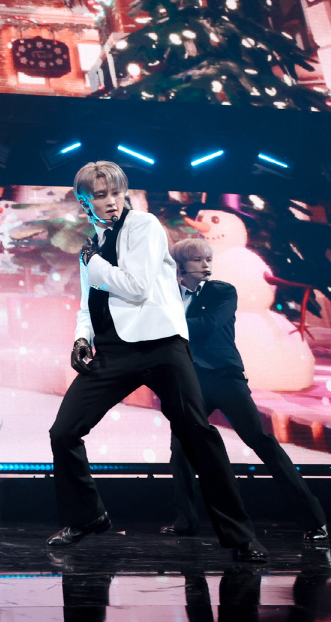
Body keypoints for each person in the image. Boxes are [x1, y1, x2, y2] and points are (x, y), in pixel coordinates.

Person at [46, 160, 266, 562]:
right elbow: (88, 302)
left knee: (197, 435)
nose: (111, 201)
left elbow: (136, 287)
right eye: (100, 195)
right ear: (84, 201)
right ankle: (87, 516)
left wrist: (93, 263)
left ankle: (240, 537)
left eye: (116, 192)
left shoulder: (143, 226)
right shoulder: (92, 246)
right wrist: (81, 337)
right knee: (63, 432)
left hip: (162, 346)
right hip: (114, 351)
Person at [162, 237, 327, 542]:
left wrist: (165, 321)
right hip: (192, 381)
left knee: (262, 442)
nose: (206, 264)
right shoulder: (167, 295)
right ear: (180, 266)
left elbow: (207, 324)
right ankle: (186, 520)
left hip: (226, 379)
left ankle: (313, 521)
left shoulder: (222, 291)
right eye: (198, 260)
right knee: (181, 449)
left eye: (208, 259)